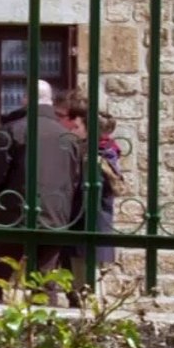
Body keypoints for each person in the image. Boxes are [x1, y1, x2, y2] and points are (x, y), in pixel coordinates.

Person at [0, 80, 82, 304]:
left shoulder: (13, 130)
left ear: (25, 99)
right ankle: (45, 324)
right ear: (50, 101)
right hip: (55, 217)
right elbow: (73, 178)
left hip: (16, 216)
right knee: (43, 284)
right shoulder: (68, 137)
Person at [55, 90, 128, 305]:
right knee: (79, 286)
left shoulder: (98, 156)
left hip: (88, 225)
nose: (72, 130)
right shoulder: (91, 151)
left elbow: (89, 193)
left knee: (88, 288)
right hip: (80, 227)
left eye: (77, 126)